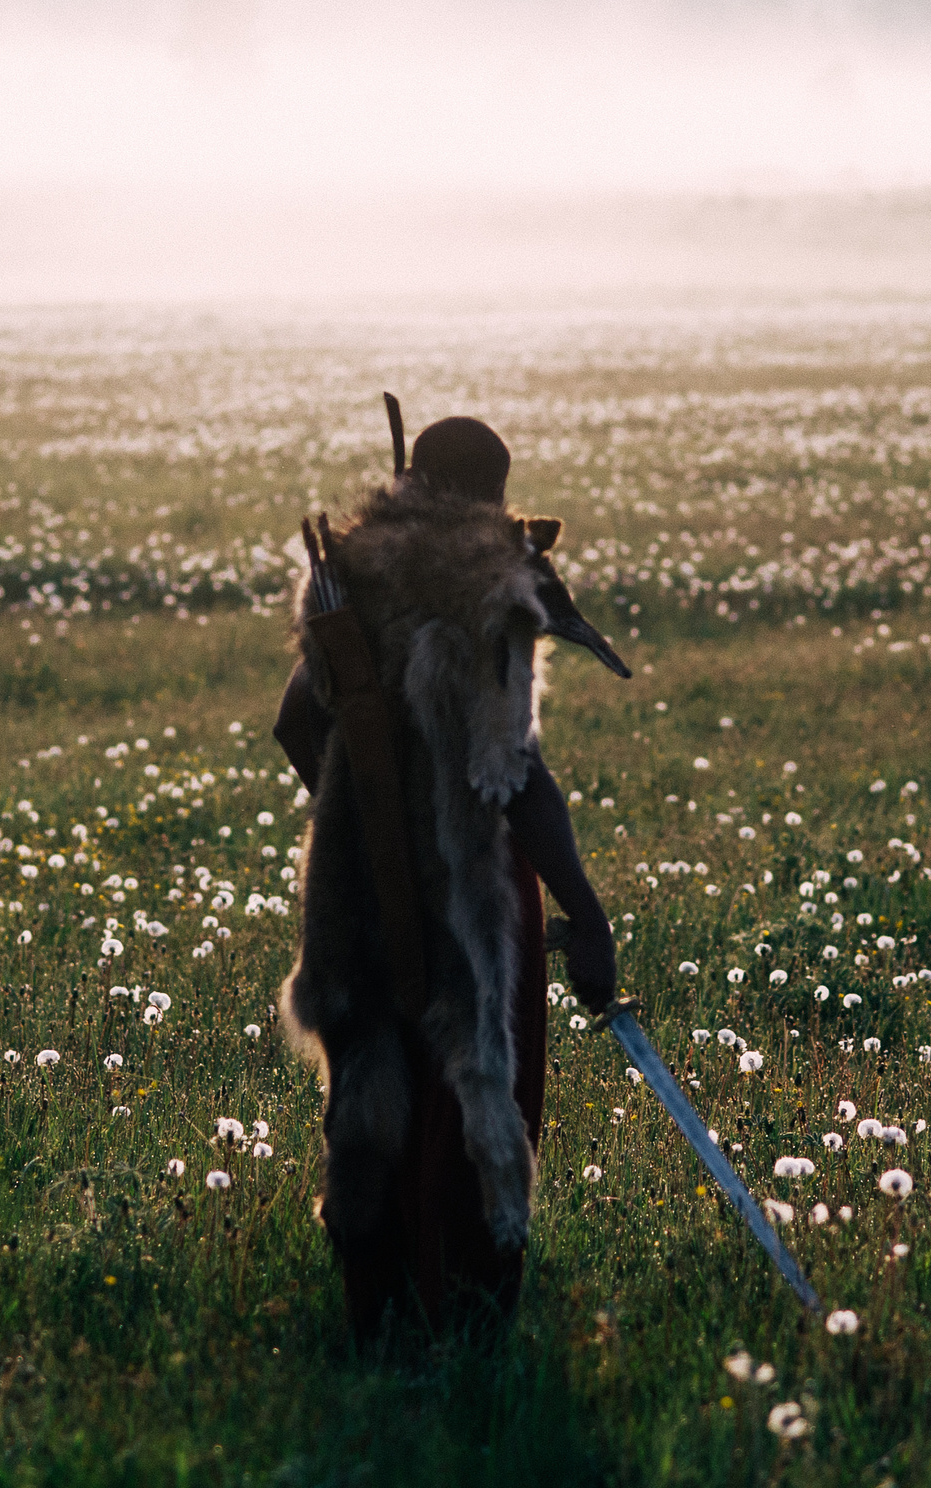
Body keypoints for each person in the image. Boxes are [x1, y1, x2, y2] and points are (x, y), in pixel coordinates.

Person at [274, 410, 623, 1339]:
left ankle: (374, 1311)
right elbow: (512, 773)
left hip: (353, 882)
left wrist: (364, 805)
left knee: (370, 1091)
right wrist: (586, 916)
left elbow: (295, 722)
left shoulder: (344, 572)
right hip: (471, 888)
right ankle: (460, 1321)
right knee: (473, 1087)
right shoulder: (492, 585)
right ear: (497, 497)